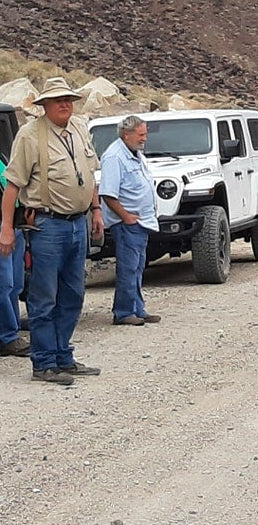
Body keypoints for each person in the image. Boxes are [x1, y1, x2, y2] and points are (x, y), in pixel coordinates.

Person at [0, 77, 103, 386]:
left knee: (73, 294)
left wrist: (96, 210)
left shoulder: (80, 129)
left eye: (68, 98)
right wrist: (6, 227)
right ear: (44, 105)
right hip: (47, 225)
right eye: (58, 99)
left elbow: (89, 174)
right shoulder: (30, 136)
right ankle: (44, 362)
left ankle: (62, 356)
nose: (65, 104)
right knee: (44, 297)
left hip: (77, 223)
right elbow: (13, 184)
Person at [99, 113, 161, 326]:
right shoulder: (114, 157)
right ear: (127, 134)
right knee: (128, 267)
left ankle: (137, 309)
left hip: (141, 222)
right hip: (127, 224)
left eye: (145, 134)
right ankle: (124, 312)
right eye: (141, 134)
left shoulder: (134, 153)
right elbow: (108, 193)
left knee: (137, 266)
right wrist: (125, 217)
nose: (144, 138)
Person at [0, 148, 30, 358]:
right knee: (4, 283)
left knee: (16, 283)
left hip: (14, 226)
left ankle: (13, 326)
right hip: (3, 228)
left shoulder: (2, 156)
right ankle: (7, 336)